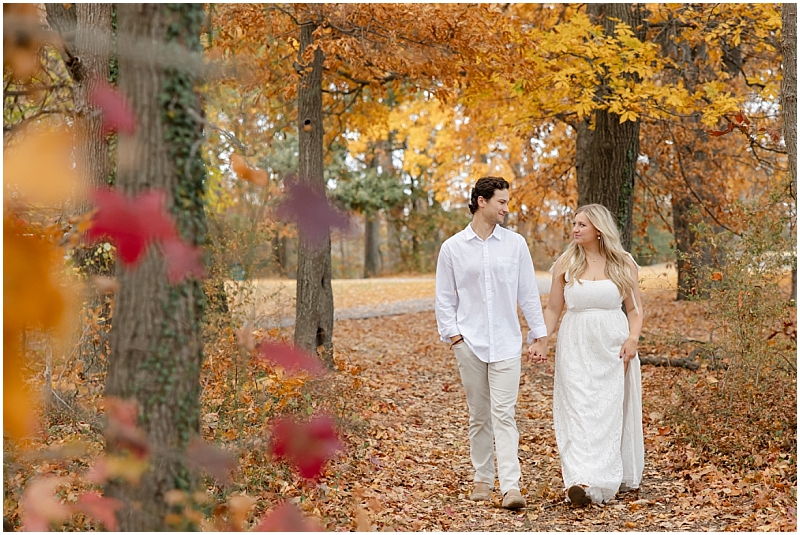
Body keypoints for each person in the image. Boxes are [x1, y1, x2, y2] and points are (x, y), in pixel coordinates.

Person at [435, 176, 548, 510]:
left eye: (507, 202)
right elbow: (444, 298)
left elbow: (527, 293)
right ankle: (482, 479)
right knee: (479, 414)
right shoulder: (453, 248)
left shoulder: (515, 245)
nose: (506, 208)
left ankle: (510, 487)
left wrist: (538, 334)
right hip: (469, 342)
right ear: (481, 201)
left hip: (507, 342)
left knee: (504, 414)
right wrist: (454, 337)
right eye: (501, 201)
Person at [543, 203, 645, 506]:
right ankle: (578, 480)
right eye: (574, 224)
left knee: (605, 412)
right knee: (577, 409)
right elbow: (553, 308)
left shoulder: (623, 263)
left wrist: (633, 338)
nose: (575, 229)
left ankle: (601, 481)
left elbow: (635, 310)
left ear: (598, 230)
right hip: (574, 344)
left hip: (612, 347)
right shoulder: (566, 263)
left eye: (581, 225)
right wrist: (541, 339)